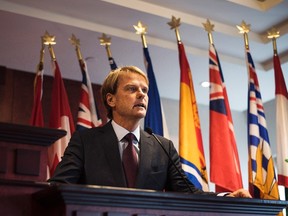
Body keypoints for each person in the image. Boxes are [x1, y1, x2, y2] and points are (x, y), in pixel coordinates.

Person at [48, 65, 251, 198]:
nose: (141, 95)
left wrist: (226, 196)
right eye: (131, 89)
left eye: (144, 90)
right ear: (111, 100)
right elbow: (59, 186)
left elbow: (187, 193)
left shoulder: (162, 146)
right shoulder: (86, 140)